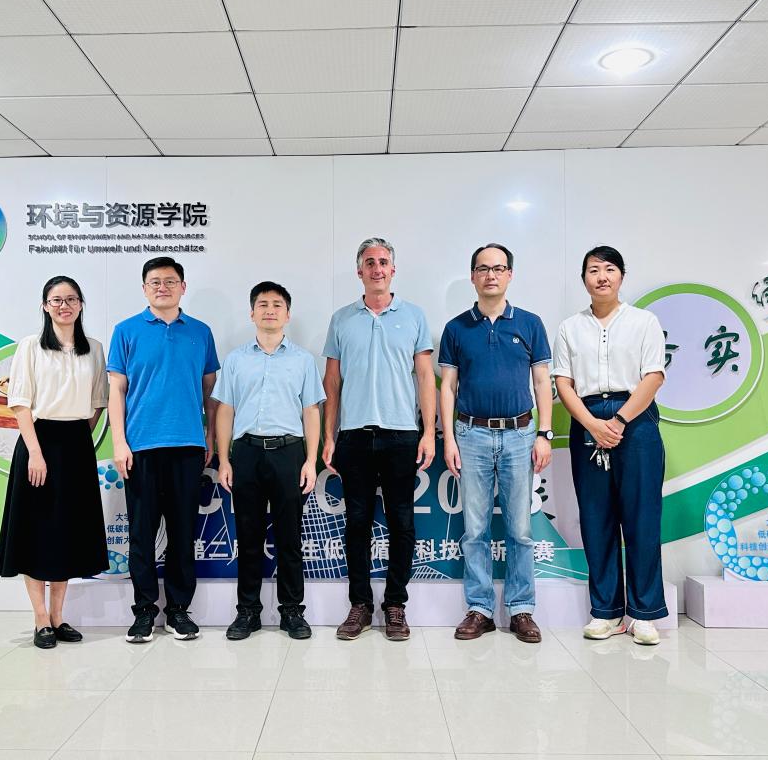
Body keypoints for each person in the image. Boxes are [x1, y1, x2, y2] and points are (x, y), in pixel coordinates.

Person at [322, 237, 437, 641]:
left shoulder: (414, 316)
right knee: (357, 523)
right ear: (359, 271)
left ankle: (395, 605)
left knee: (402, 522)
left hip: (401, 434)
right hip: (353, 436)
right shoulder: (342, 319)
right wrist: (329, 436)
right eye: (369, 262)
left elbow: (425, 377)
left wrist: (428, 432)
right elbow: (332, 382)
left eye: (383, 262)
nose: (376, 268)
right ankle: (360, 604)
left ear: (393, 270)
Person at [552, 246, 667, 646]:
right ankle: (605, 611)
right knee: (596, 519)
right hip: (587, 420)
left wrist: (618, 422)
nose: (602, 276)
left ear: (621, 276)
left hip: (636, 420)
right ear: (583, 278)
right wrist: (591, 424)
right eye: (593, 270)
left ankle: (644, 613)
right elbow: (563, 382)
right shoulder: (570, 327)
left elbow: (654, 377)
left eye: (609, 269)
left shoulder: (644, 322)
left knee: (642, 518)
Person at [439, 244, 553, 643]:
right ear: (473, 276)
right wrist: (449, 438)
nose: (491, 275)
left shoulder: (530, 323)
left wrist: (544, 434)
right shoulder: (456, 328)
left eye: (499, 268)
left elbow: (542, 381)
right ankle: (480, 608)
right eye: (483, 268)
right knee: (475, 529)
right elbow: (448, 387)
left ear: (509, 275)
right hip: (471, 434)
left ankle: (521, 609)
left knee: (520, 529)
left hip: (521, 434)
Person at [107, 257, 220, 643]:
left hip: (188, 446)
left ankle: (178, 611)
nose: (162, 287)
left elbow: (210, 390)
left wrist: (210, 437)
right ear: (144, 288)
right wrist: (119, 442)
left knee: (182, 533)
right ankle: (143, 611)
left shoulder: (201, 333)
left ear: (182, 287)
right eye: (154, 281)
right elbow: (116, 390)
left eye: (170, 281)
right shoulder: (126, 331)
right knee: (141, 534)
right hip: (140, 448)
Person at [0, 276, 109, 650]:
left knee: (67, 532)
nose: (64, 306)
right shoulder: (30, 346)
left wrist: (78, 440)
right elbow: (19, 403)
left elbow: (98, 403)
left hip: (76, 444)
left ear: (81, 304)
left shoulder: (93, 349)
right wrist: (36, 452)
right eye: (56, 300)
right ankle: (40, 619)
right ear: (45, 306)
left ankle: (59, 618)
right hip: (37, 441)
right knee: (37, 532)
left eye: (71, 299)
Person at [212, 281, 325, 640]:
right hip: (246, 453)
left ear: (287, 314)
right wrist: (224, 459)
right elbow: (225, 410)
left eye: (277, 305)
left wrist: (310, 461)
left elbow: (311, 411)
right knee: (248, 537)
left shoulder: (303, 360)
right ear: (252, 313)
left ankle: (292, 611)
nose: (270, 310)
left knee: (290, 537)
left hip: (289, 453)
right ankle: (248, 612)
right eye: (263, 304)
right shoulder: (235, 360)